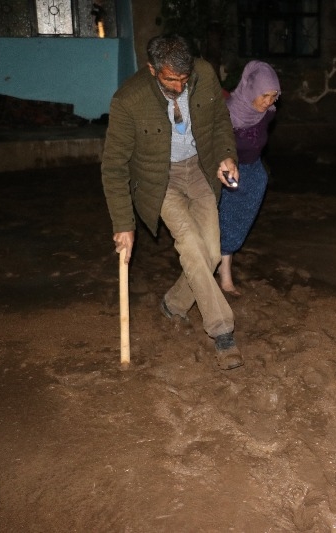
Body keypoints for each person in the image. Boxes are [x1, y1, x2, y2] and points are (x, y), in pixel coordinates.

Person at [101, 34, 244, 370]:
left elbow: (221, 120)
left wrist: (226, 156)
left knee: (210, 253)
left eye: (184, 79)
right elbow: (114, 166)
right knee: (192, 246)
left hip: (200, 170)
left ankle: (174, 303)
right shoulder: (128, 100)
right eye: (170, 80)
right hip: (159, 181)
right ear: (152, 70)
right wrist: (123, 224)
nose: (179, 87)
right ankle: (222, 331)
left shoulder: (204, 74)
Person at [217, 60, 281, 296]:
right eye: (264, 95)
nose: (268, 102)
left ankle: (224, 261)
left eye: (274, 96)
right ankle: (224, 273)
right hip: (229, 173)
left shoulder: (268, 114)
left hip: (252, 174)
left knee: (237, 222)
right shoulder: (228, 113)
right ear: (252, 90)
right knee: (224, 220)